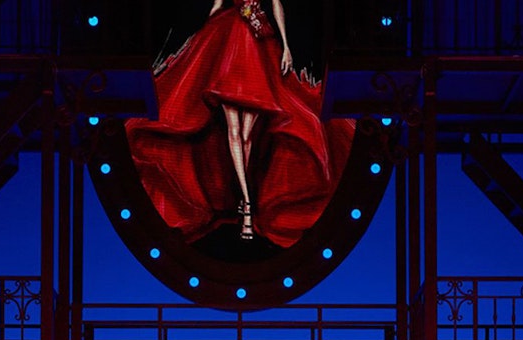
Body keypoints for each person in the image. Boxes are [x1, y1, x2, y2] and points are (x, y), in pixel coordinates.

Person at [125, 0, 354, 248]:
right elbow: (218, 4)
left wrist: (286, 46)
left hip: (258, 47)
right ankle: (247, 204)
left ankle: (246, 202)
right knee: (234, 132)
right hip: (230, 44)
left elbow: (276, 3)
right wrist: (200, 40)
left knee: (246, 136)